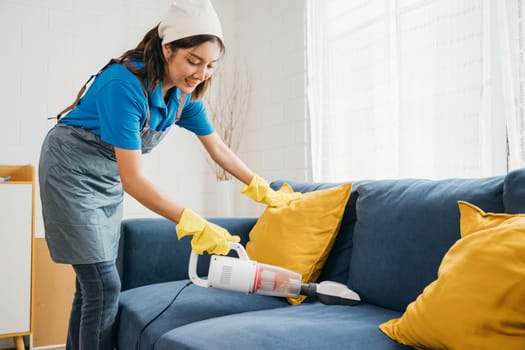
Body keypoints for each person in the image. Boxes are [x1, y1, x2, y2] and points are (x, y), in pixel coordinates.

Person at [38, 1, 300, 349]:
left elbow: (219, 149)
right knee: (103, 283)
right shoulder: (123, 84)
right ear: (167, 49)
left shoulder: (182, 96)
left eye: (210, 65)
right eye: (194, 61)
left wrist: (262, 187)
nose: (201, 73)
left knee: (92, 283)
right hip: (70, 171)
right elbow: (133, 181)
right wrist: (192, 221)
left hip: (106, 176)